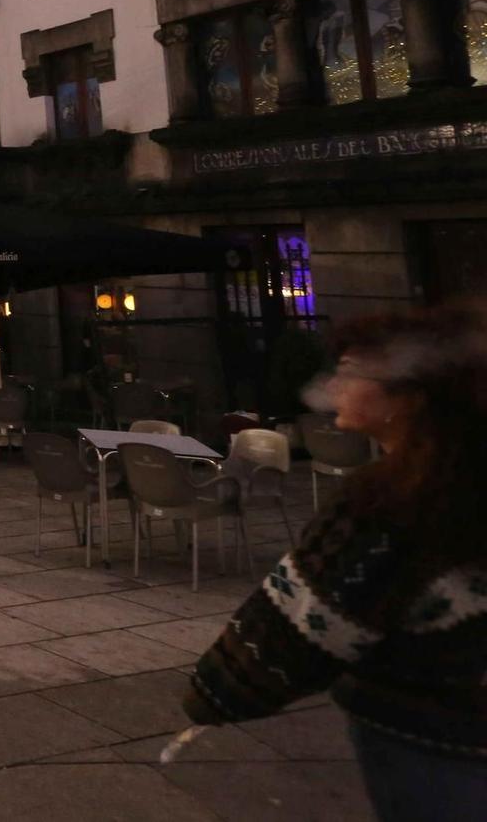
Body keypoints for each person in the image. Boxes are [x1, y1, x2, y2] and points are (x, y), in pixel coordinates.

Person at [183, 307, 487, 821]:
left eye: (350, 371)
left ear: (407, 397)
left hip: (431, 741)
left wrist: (211, 696)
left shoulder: (386, 501)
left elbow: (292, 627)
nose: (333, 384)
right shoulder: (460, 480)